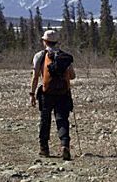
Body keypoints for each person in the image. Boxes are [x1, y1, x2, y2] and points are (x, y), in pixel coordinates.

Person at [30, 30, 76, 160]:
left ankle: (44, 148)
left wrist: (32, 94)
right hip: (63, 93)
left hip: (46, 93)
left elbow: (35, 77)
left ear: (44, 41)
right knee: (62, 119)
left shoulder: (40, 55)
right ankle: (64, 145)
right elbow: (72, 76)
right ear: (56, 41)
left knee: (45, 120)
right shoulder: (64, 57)